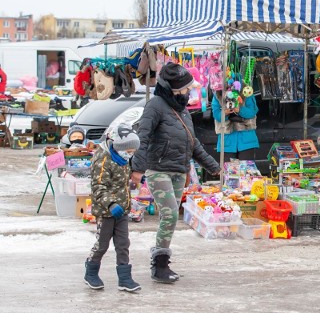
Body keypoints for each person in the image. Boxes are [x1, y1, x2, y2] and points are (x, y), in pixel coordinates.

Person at [131, 63, 221, 283]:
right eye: (185, 88)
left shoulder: (182, 109)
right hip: (158, 170)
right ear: (174, 88)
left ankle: (162, 263)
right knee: (171, 214)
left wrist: (214, 167)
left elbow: (193, 142)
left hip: (179, 171)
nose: (189, 91)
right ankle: (159, 265)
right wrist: (137, 168)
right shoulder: (155, 106)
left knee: (169, 217)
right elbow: (143, 137)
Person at [84, 123, 141, 292]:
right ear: (117, 145)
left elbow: (118, 182)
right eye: (128, 151)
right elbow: (99, 187)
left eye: (132, 152)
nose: (130, 154)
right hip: (106, 210)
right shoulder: (102, 159)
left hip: (122, 209)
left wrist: (131, 185)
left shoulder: (122, 158)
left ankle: (124, 278)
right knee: (102, 244)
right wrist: (111, 203)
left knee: (123, 244)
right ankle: (91, 272)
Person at [212, 92, 259, 160]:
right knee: (228, 169)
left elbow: (252, 111)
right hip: (226, 141)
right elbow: (217, 115)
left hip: (247, 139)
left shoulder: (246, 91)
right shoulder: (218, 94)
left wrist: (240, 109)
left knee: (247, 169)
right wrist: (225, 112)